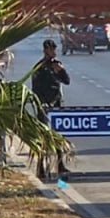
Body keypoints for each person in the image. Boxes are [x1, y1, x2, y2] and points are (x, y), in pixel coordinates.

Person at [30, 39, 70, 177]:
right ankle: (40, 166)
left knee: (58, 136)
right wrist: (42, 103)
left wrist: (61, 70)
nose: (53, 52)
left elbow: (67, 81)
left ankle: (60, 165)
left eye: (54, 49)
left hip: (56, 104)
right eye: (50, 50)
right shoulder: (39, 67)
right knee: (43, 137)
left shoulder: (57, 65)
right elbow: (36, 88)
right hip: (44, 106)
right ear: (45, 50)